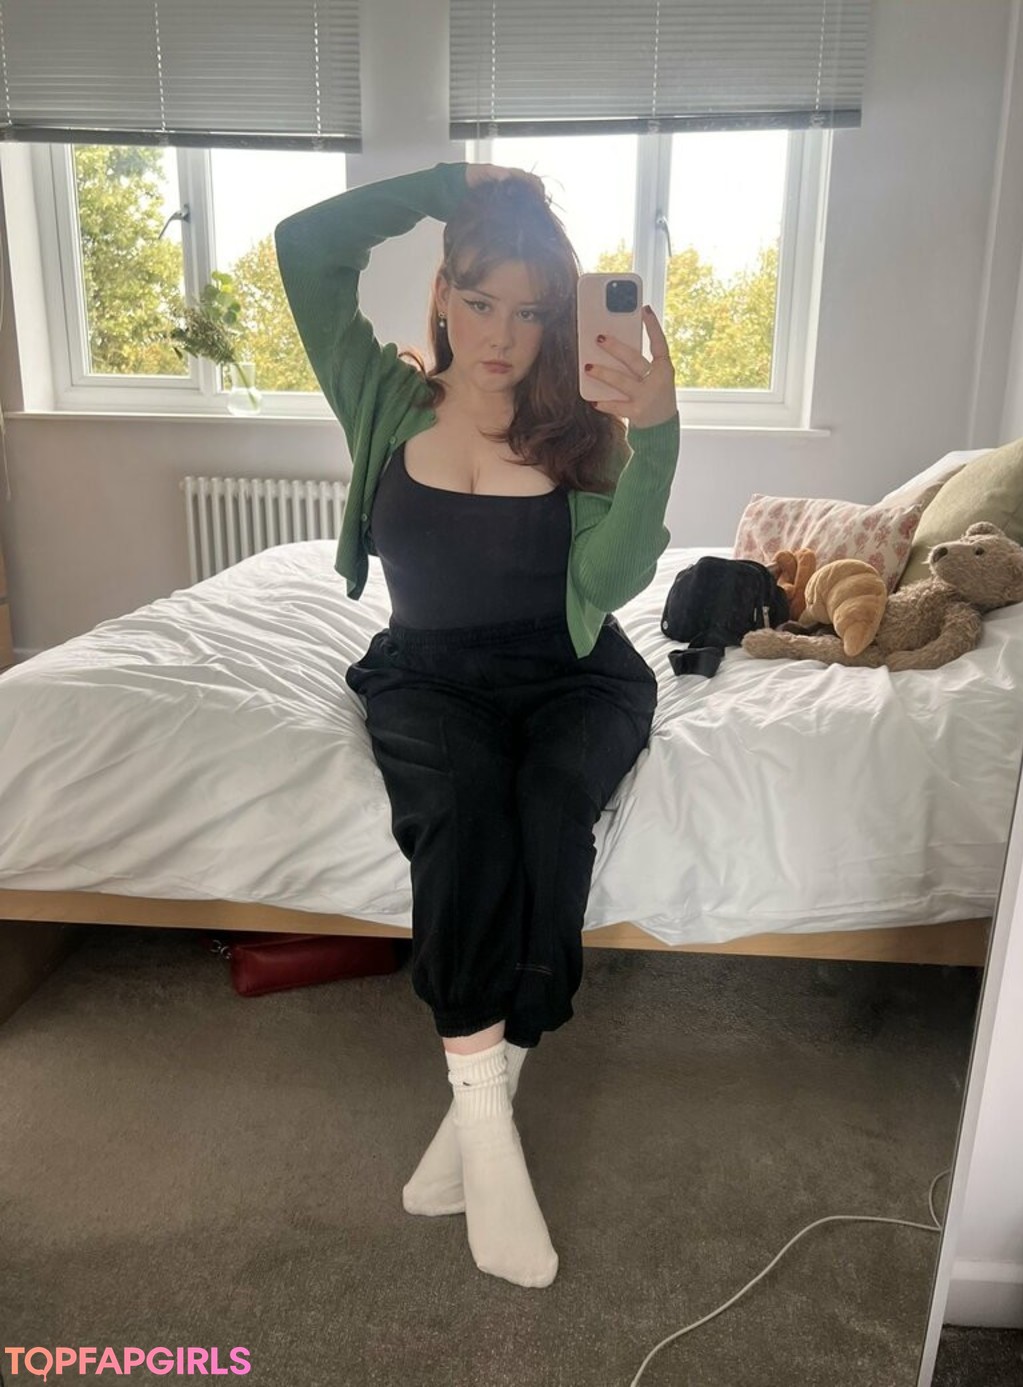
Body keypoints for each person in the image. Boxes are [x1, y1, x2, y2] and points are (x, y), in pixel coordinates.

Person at [274, 161, 680, 1290]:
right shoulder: (381, 392)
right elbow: (305, 247)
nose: (503, 336)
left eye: (533, 311)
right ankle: (486, 1122)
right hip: (429, 676)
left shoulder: (580, 425)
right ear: (444, 292)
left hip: (575, 674)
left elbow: (613, 577)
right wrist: (449, 182)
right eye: (482, 300)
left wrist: (658, 434)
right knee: (458, 812)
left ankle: (482, 1113)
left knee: (550, 808)